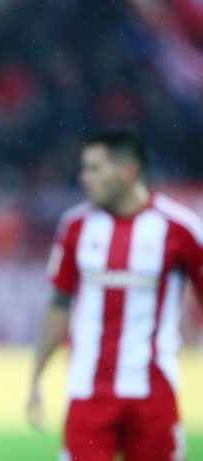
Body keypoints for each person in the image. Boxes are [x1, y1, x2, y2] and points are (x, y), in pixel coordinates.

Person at [27, 128, 202, 461]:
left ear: (128, 171)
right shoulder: (75, 226)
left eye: (94, 168)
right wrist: (36, 376)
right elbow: (59, 304)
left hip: (153, 394)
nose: (84, 178)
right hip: (88, 393)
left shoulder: (180, 228)